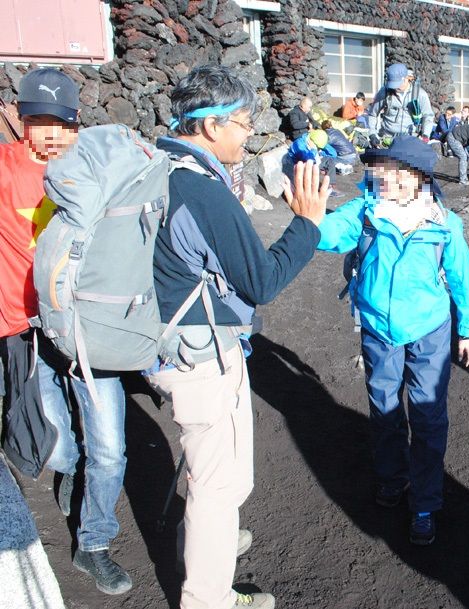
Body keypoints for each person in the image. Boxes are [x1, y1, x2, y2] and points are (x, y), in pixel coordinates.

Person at [147, 65, 327, 609]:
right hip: (201, 353)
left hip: (165, 338)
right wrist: (306, 224)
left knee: (212, 472)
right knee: (218, 483)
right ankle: (209, 596)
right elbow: (261, 281)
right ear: (208, 125)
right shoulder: (201, 190)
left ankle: (211, 540)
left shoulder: (156, 165)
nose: (250, 134)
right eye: (244, 124)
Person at [0, 67, 132, 596]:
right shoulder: (5, 172)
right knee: (57, 449)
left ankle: (93, 543)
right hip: (28, 330)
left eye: (61, 122)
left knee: (110, 448)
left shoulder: (97, 173)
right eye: (37, 120)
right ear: (20, 120)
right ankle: (74, 476)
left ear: (78, 125)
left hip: (87, 330)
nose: (49, 133)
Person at [314, 136, 469, 546]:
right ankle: (392, 478)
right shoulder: (366, 212)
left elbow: (462, 277)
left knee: (427, 416)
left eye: (385, 168)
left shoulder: (443, 224)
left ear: (412, 177)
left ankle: (424, 502)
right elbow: (329, 234)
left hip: (429, 330)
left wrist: (468, 328)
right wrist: (310, 218)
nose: (376, 175)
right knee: (384, 408)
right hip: (378, 328)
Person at [366, 63, 434, 145]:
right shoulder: (384, 92)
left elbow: (428, 116)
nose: (394, 87)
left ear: (406, 78)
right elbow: (372, 114)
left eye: (397, 84)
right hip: (387, 139)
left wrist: (425, 135)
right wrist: (372, 134)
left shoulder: (420, 94)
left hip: (410, 139)